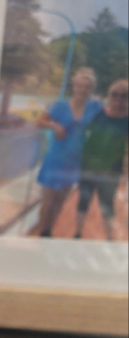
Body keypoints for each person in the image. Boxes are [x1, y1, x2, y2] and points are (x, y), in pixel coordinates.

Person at [34, 67, 102, 237]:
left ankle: (49, 231)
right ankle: (42, 231)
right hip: (56, 159)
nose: (82, 89)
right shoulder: (60, 106)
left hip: (74, 161)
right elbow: (40, 122)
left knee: (61, 200)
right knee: (48, 200)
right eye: (79, 86)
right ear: (74, 87)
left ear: (92, 90)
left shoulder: (94, 107)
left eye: (87, 87)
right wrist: (54, 125)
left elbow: (112, 115)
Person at [75, 79, 129, 240]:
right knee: (83, 201)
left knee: (107, 205)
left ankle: (109, 239)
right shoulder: (97, 113)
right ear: (110, 95)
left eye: (123, 96)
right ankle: (77, 235)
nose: (118, 99)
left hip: (111, 170)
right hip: (88, 166)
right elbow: (79, 130)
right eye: (115, 94)